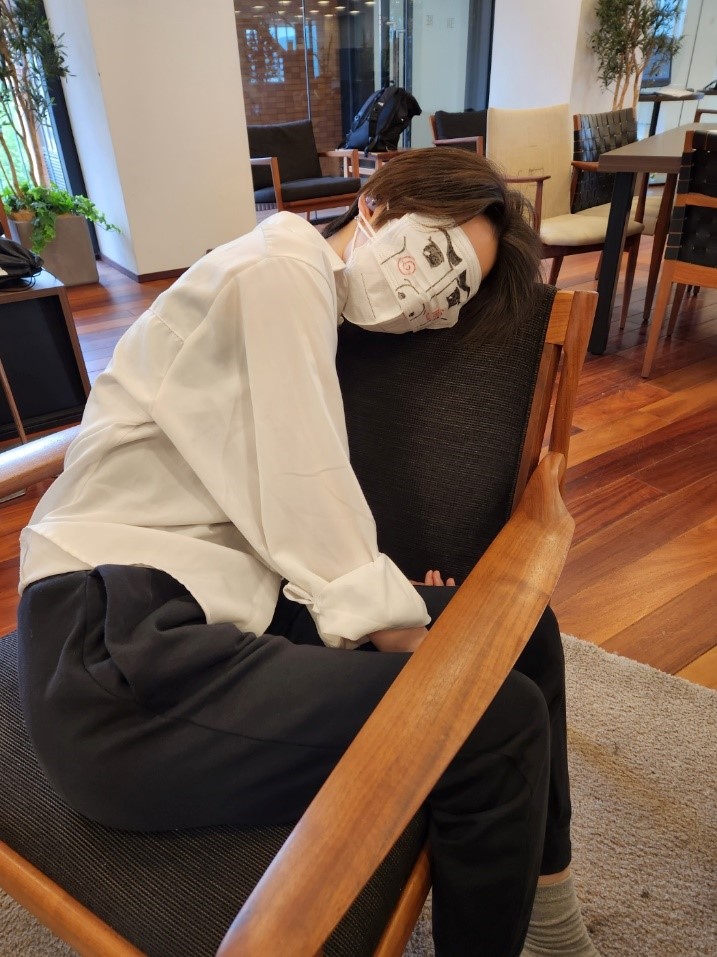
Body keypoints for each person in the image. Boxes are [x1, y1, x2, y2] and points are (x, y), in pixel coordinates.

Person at [16, 148, 595, 957]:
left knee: (521, 627)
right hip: (116, 651)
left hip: (227, 608)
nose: (430, 295)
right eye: (435, 254)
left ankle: (550, 915)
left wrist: (387, 601)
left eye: (454, 292)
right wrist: (404, 634)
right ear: (376, 203)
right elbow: (303, 483)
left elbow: (288, 505)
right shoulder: (278, 267)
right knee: (490, 724)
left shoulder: (310, 303)